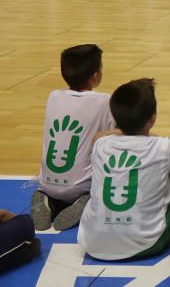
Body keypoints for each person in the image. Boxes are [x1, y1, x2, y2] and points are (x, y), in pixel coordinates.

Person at [79, 79, 170, 261]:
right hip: (146, 244)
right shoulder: (164, 147)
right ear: (152, 118)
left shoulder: (101, 145)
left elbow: (98, 136)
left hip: (93, 242)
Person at [32, 44, 116, 231]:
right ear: (95, 76)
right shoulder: (104, 101)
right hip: (81, 187)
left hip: (46, 183)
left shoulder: (53, 96)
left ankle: (47, 198)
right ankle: (85, 200)